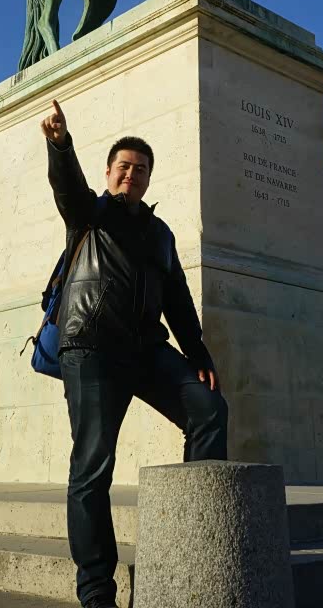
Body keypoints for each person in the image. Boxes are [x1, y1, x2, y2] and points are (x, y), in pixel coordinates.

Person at [41, 99, 228, 608]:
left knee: (209, 410)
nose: (132, 174)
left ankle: (191, 547)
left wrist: (199, 355)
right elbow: (68, 189)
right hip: (91, 348)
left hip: (146, 349)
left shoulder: (161, 233)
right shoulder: (90, 214)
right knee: (92, 468)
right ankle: (96, 591)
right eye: (124, 167)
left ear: (148, 178)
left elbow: (179, 301)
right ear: (108, 173)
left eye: (141, 169)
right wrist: (60, 145)